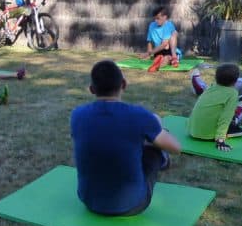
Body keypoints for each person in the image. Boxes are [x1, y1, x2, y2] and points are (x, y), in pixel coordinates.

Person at [70, 60, 182, 216]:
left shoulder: (77, 115)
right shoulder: (139, 115)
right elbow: (176, 147)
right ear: (124, 84)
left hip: (90, 201)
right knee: (155, 145)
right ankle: (162, 159)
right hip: (131, 204)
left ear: (92, 89)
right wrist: (157, 127)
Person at [189, 63, 242, 153]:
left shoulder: (211, 88)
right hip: (209, 135)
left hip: (193, 131)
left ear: (216, 78)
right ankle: (234, 123)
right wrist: (220, 140)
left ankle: (197, 83)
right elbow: (225, 117)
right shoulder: (232, 93)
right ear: (235, 81)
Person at [144, 7, 182, 71]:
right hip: (158, 51)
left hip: (169, 49)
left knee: (174, 33)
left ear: (165, 17)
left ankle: (173, 56)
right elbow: (149, 41)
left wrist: (149, 53)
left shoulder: (168, 25)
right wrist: (148, 54)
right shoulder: (152, 25)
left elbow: (164, 44)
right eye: (155, 19)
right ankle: (158, 64)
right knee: (164, 58)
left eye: (158, 18)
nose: (156, 21)